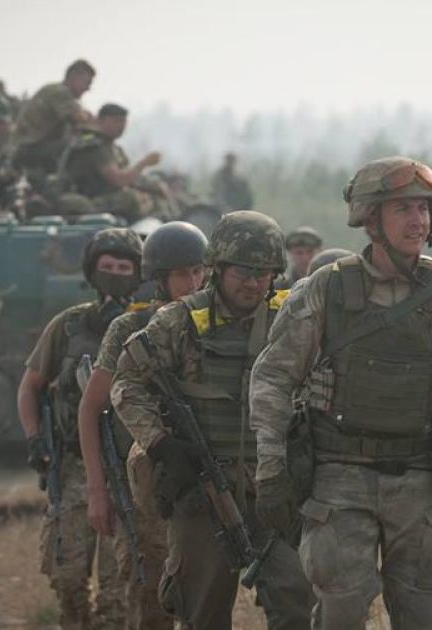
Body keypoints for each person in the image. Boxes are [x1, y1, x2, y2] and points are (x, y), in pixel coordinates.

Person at [248, 156, 432, 629]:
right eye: (403, 209)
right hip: (339, 479)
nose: (418, 220)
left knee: (425, 615)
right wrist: (271, 473)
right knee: (341, 610)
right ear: (371, 218)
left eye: (424, 208)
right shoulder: (326, 290)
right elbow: (273, 378)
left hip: (423, 481)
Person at [111, 211, 314, 630]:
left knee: (298, 601)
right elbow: (126, 382)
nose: (253, 283)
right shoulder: (181, 321)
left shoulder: (291, 318)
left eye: (263, 273)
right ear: (217, 268)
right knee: (202, 612)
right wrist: (161, 444)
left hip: (278, 489)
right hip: (204, 490)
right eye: (243, 272)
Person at [78, 222, 208, 630]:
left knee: (203, 598)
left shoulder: (217, 323)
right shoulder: (130, 328)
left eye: (199, 271)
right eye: (182, 274)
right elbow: (90, 408)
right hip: (145, 484)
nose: (193, 283)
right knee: (149, 595)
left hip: (206, 477)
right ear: (159, 277)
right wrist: (97, 491)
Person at [17, 228, 142, 629]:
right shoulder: (69, 326)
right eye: (107, 266)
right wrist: (35, 439)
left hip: (129, 469)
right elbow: (31, 385)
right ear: (91, 271)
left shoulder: (148, 324)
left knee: (118, 588)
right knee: (66, 574)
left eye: (124, 267)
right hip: (74, 467)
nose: (115, 274)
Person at [60, 103, 162, 221]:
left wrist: (152, 186)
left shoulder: (114, 148)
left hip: (104, 197)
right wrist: (144, 163)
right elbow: (119, 180)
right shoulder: (93, 146)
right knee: (130, 198)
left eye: (124, 122)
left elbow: (130, 178)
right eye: (117, 121)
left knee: (153, 193)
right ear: (101, 121)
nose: (121, 126)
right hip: (86, 200)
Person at [15, 60, 96, 174]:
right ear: (74, 77)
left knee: (86, 139)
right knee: (85, 144)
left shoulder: (58, 91)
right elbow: (80, 120)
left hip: (35, 147)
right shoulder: (59, 92)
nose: (88, 88)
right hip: (29, 148)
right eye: (87, 83)